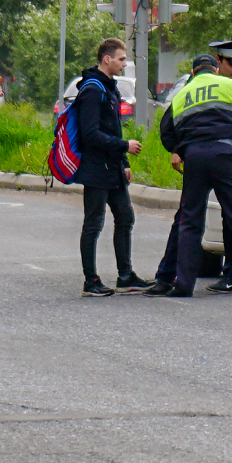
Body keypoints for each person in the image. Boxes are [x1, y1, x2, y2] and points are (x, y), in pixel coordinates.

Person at [144, 40, 232, 294]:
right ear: (215, 68)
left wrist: (181, 150)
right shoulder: (230, 86)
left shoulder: (182, 95)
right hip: (226, 152)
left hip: (195, 156)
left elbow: (166, 133)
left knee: (190, 220)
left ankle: (183, 285)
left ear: (194, 73)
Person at [74, 38, 152, 296]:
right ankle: (91, 281)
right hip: (96, 168)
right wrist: (123, 146)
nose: (124, 63)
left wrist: (124, 161)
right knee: (94, 224)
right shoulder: (92, 90)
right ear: (106, 59)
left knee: (125, 217)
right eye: (120, 59)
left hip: (113, 167)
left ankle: (126, 276)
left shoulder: (109, 87)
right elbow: (90, 135)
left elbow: (111, 127)